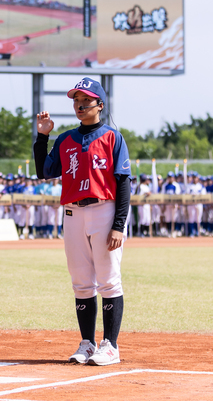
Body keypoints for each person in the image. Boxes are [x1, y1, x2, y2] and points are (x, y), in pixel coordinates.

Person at [34, 77, 130, 366]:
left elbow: (123, 182)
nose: (79, 105)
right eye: (76, 100)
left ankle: (110, 345)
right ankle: (87, 343)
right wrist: (42, 136)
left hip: (104, 210)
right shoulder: (66, 139)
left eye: (86, 100)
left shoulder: (113, 137)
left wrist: (119, 225)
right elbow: (44, 172)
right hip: (73, 213)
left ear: (100, 105)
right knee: (81, 282)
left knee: (109, 280)